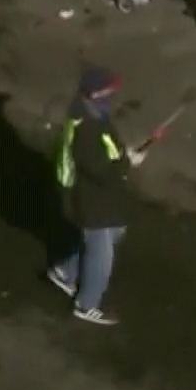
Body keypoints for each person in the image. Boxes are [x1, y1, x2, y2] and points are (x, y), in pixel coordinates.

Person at [48, 66, 145, 326]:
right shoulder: (88, 130)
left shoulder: (91, 116)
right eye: (108, 93)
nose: (112, 97)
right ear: (96, 95)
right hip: (93, 200)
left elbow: (108, 149)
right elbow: (99, 168)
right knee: (102, 255)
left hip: (100, 197)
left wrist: (125, 155)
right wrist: (127, 164)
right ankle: (87, 304)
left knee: (114, 233)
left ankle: (66, 272)